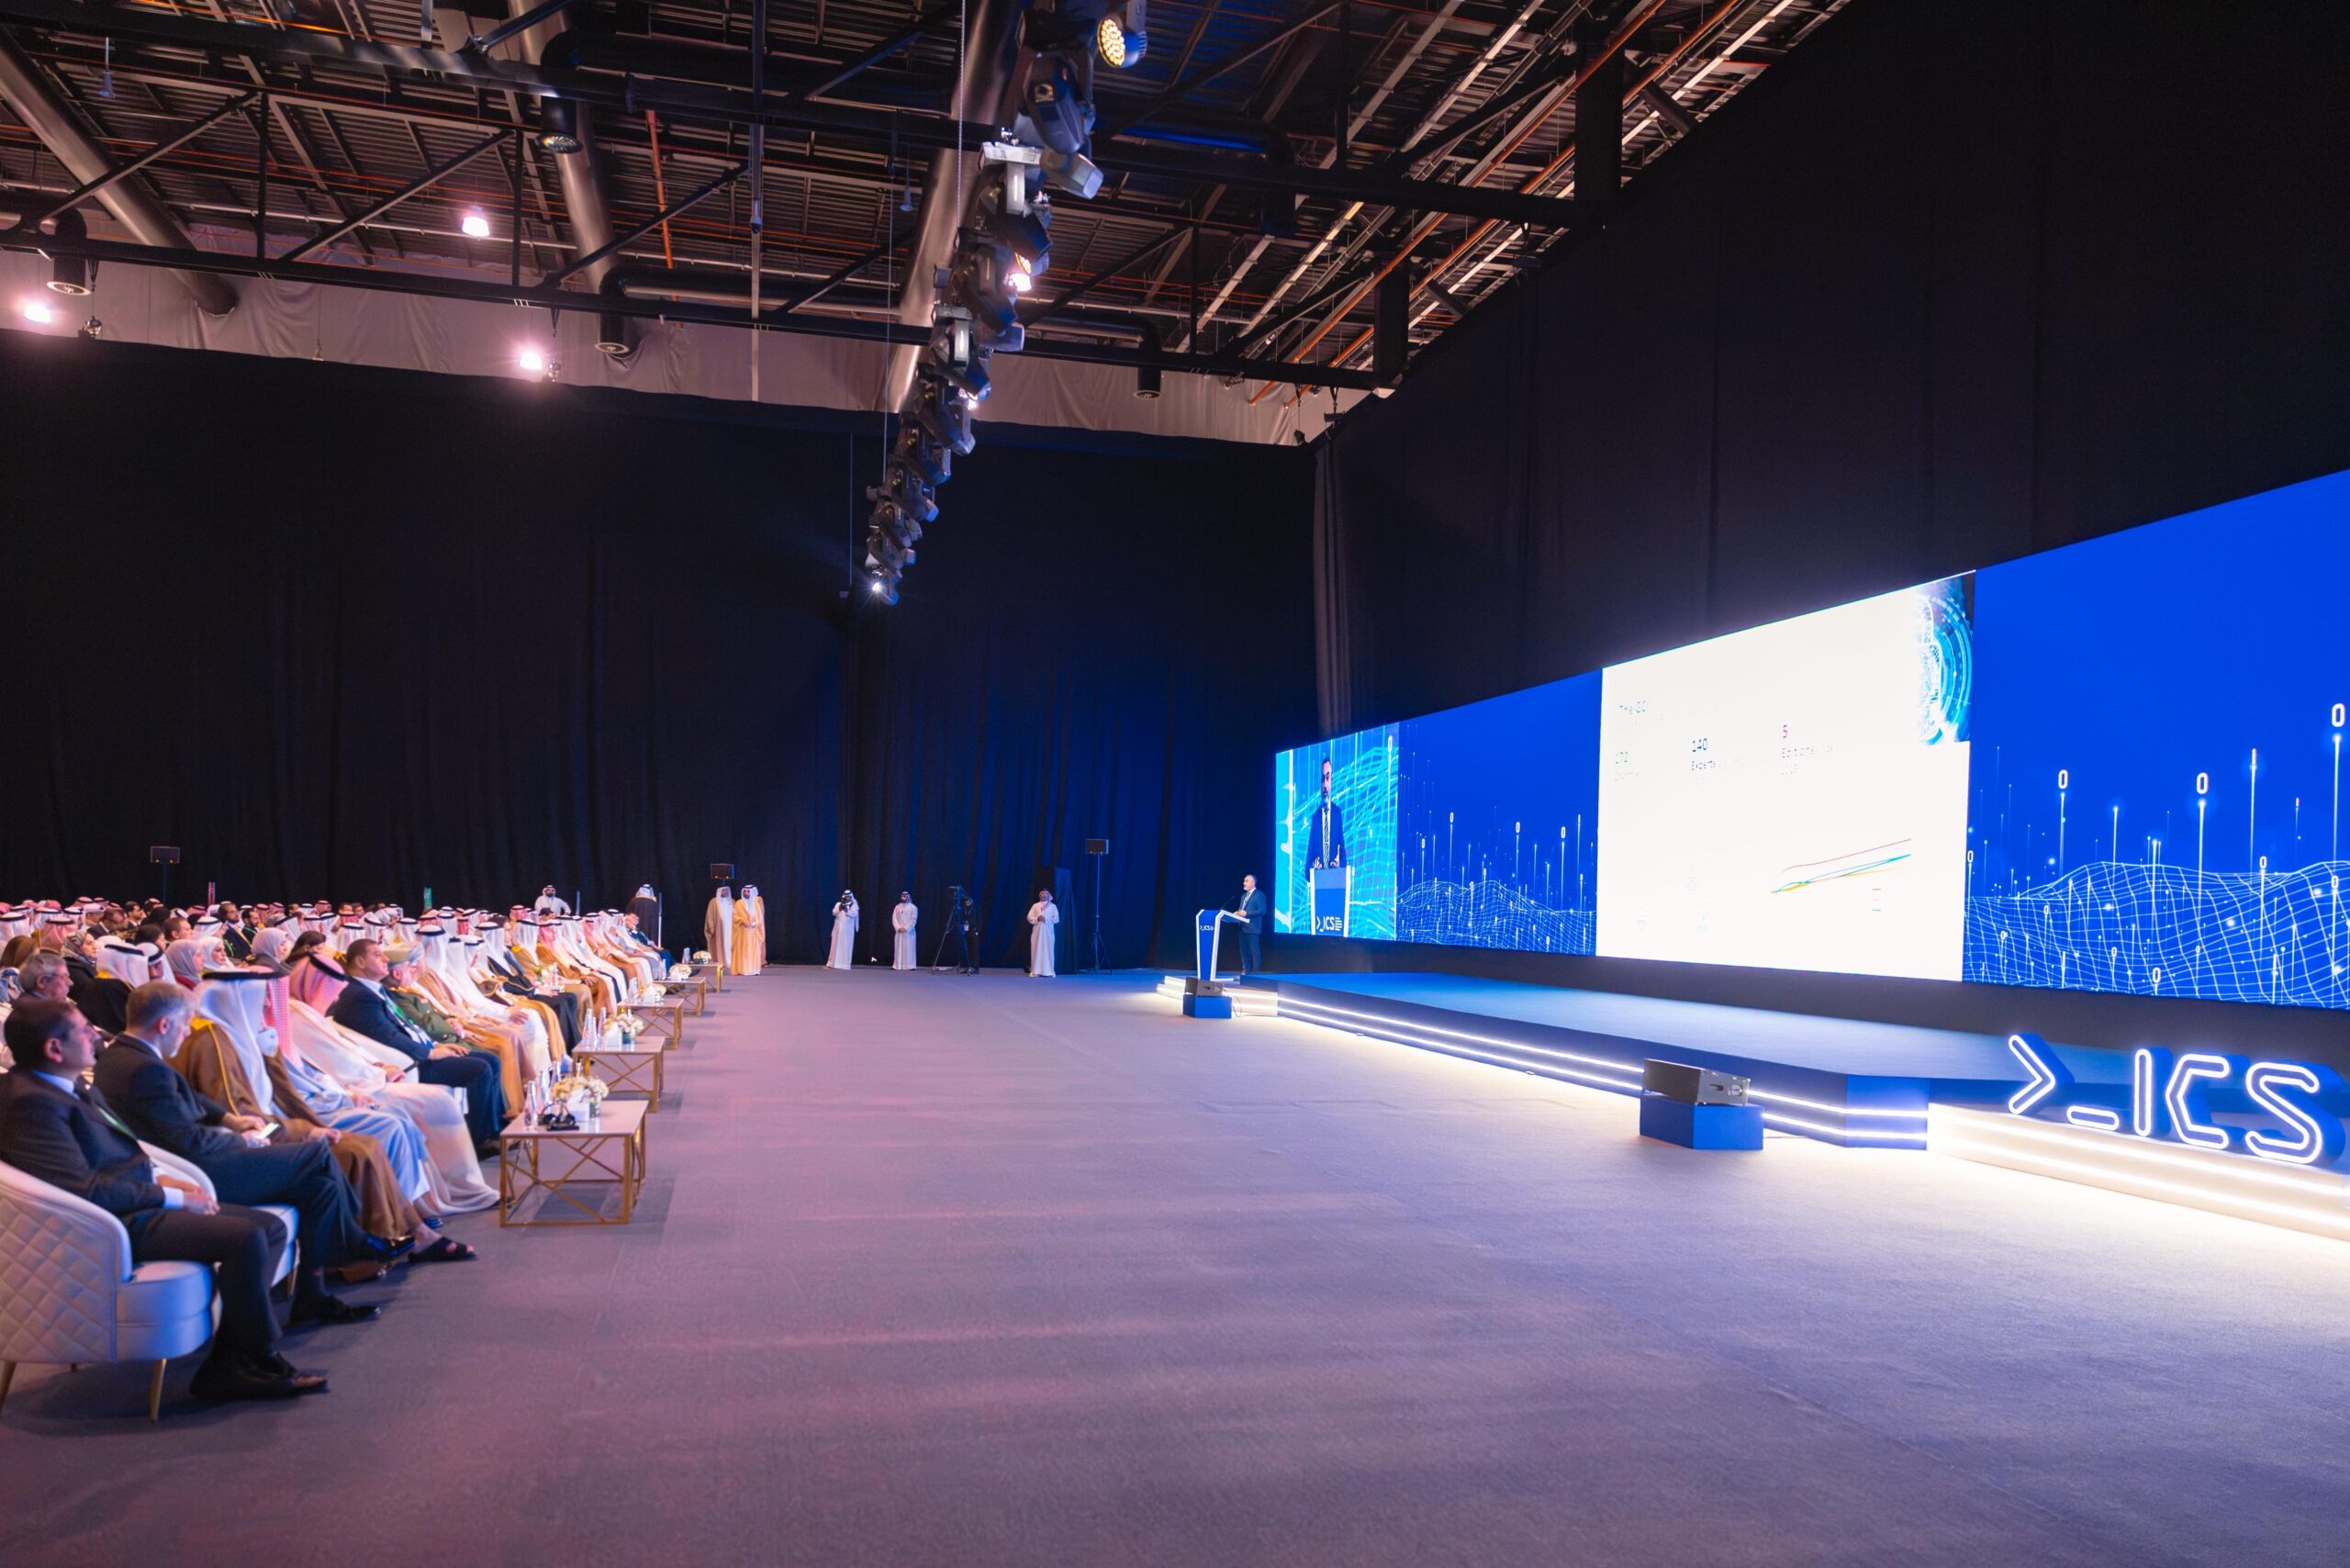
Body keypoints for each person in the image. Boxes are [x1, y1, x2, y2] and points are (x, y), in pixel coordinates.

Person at [0, 998, 325, 1403]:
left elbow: (114, 1152)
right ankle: (254, 1359)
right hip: (105, 1225)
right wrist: (171, 1197)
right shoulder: (31, 1102)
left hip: (130, 1202)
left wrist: (160, 1176)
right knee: (245, 1237)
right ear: (54, 1048)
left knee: (269, 1227)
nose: (95, 1033)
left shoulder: (63, 1084)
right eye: (83, 1029)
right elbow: (83, 1189)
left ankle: (233, 1359)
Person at [95, 981, 388, 1326]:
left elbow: (186, 1097)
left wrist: (229, 1119)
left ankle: (314, 1296)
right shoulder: (145, 1068)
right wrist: (243, 1141)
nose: (187, 1032)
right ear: (164, 1025)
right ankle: (354, 1241)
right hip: (201, 1170)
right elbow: (188, 1141)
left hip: (194, 1158)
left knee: (318, 1187)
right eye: (185, 1024)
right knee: (316, 1155)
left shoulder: (122, 1054)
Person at [329, 937, 508, 1153]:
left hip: (420, 1050)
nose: (385, 958)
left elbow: (406, 1025)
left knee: (491, 1060)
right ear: (359, 962)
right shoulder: (357, 995)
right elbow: (388, 1037)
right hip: (410, 1063)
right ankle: (478, 1141)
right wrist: (430, 1053)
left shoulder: (373, 989)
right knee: (479, 1069)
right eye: (377, 954)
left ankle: (494, 1130)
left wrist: (435, 1044)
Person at [1306, 756, 1347, 870]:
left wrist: (1339, 863)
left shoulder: (1337, 814)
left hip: (1334, 878)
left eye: (1328, 778)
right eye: (1322, 779)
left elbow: (1344, 859)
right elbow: (1307, 866)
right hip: (1319, 880)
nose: (1325, 784)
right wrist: (1313, 866)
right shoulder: (1315, 818)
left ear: (1332, 780)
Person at [1232, 874, 1265, 976]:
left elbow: (1262, 911)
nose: (1244, 883)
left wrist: (1246, 914)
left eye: (1246, 881)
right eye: (1244, 881)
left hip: (1253, 928)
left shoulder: (1259, 895)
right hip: (1242, 927)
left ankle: (1255, 973)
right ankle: (1246, 971)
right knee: (1243, 950)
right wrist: (1237, 913)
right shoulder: (1243, 896)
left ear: (1253, 882)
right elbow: (1242, 910)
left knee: (1254, 951)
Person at [733, 885, 766, 976]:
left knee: (753, 952)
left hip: (753, 932)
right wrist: (742, 921)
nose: (746, 893)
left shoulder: (756, 904)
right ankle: (742, 969)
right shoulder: (739, 903)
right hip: (742, 932)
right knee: (743, 951)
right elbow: (734, 916)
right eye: (745, 891)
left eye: (748, 892)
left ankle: (753, 969)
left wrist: (754, 923)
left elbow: (760, 918)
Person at [704, 885, 734, 975]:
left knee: (730, 944)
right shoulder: (713, 902)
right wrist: (711, 927)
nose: (725, 892)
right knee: (721, 944)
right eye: (723, 890)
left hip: (731, 928)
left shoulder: (732, 901)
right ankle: (721, 960)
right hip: (719, 929)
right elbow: (709, 915)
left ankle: (731, 961)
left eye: (726, 890)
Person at [1027, 890, 1058, 978]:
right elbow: (1029, 917)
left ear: (1049, 896)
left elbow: (1057, 919)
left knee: (1048, 950)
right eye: (1042, 894)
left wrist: (1046, 919)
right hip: (1037, 932)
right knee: (1036, 950)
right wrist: (1037, 919)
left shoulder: (1053, 906)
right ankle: (1035, 971)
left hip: (1048, 933)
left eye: (1046, 894)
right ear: (1039, 895)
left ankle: (1050, 971)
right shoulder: (1035, 906)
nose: (1044, 895)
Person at [827, 891, 858, 969]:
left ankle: (844, 964)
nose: (846, 898)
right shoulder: (838, 904)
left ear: (851, 897)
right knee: (835, 945)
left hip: (847, 930)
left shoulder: (854, 905)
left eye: (848, 897)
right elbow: (834, 913)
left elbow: (854, 914)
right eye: (845, 897)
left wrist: (847, 911)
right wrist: (839, 909)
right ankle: (832, 963)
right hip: (838, 928)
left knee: (845, 946)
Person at [891, 892, 919, 970]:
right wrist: (898, 928)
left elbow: (913, 920)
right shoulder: (897, 907)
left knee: (909, 949)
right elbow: (894, 918)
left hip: (909, 933)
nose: (903, 897)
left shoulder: (913, 907)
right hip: (899, 931)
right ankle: (897, 965)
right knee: (898, 949)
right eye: (902, 896)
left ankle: (910, 966)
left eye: (905, 896)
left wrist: (906, 928)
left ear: (908, 897)